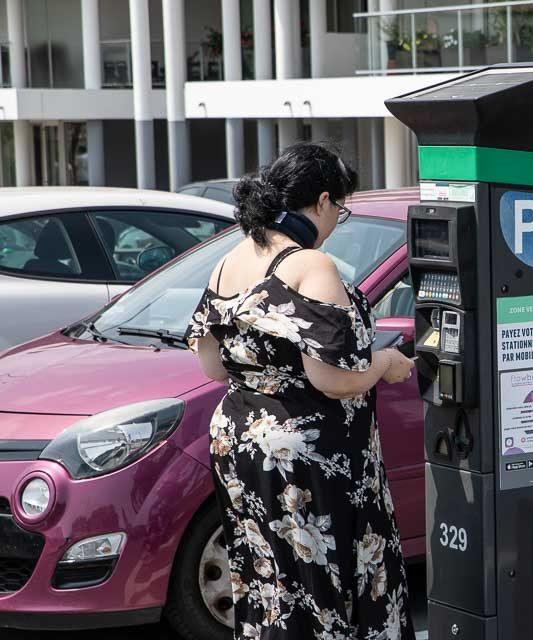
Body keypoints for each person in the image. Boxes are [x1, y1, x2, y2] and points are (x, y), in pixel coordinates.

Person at [187, 143, 416, 640]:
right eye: (341, 209)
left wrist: (266, 379)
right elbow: (332, 378)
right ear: (323, 201)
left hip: (241, 441)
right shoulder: (311, 265)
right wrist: (386, 364)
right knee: (325, 583)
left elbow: (210, 363)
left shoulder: (230, 259)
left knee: (268, 581)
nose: (338, 220)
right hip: (308, 452)